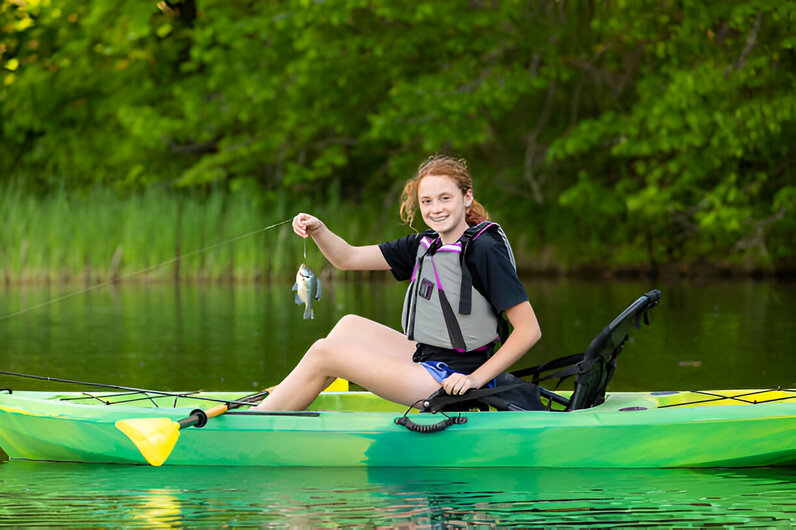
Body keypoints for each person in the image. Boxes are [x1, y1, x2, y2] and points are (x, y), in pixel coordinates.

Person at [253, 154, 541, 411]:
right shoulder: (424, 244)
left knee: (323, 353)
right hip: (428, 359)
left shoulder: (484, 250)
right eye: (426, 201)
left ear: (466, 198)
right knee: (348, 326)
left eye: (445, 198)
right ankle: (290, 395)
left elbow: (529, 331)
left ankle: (257, 421)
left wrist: (474, 379)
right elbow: (348, 258)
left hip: (454, 380)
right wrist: (318, 230)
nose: (435, 209)